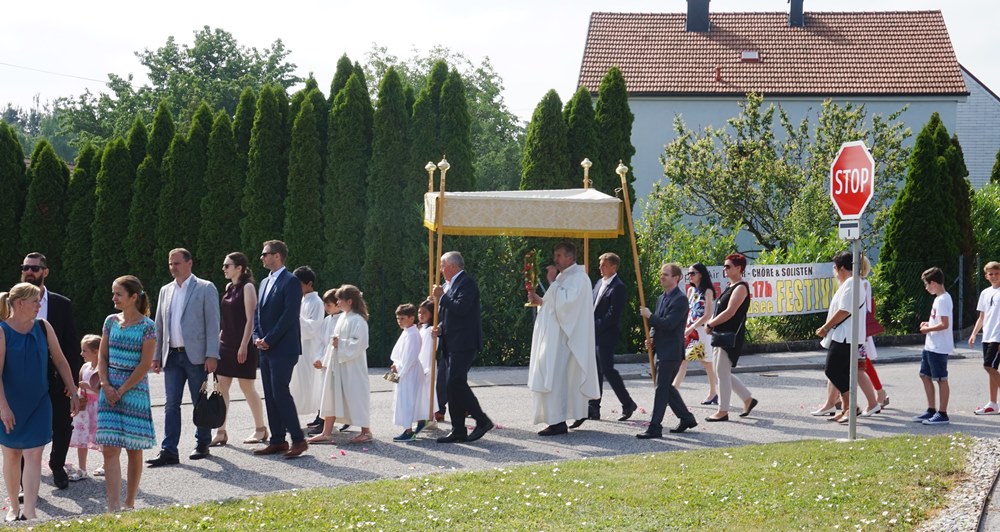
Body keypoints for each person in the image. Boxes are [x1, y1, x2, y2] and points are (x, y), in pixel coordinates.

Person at [0, 283, 80, 521]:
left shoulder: (44, 327)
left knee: (34, 455)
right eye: (35, 301)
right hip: (10, 405)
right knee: (12, 455)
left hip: (40, 403)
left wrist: (73, 391)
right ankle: (14, 506)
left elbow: (61, 360)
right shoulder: (2, 331)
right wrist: (3, 407)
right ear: (20, 303)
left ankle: (30, 510)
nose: (39, 305)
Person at [148, 249, 221, 467]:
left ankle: (203, 443)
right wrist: (156, 355)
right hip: (172, 356)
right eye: (171, 264)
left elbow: (213, 323)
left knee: (201, 401)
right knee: (171, 404)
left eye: (177, 263)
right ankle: (169, 450)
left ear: (190, 263)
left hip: (197, 357)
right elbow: (159, 325)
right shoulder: (165, 290)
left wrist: (212, 354)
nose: (173, 267)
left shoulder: (205, 287)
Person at [526, 242, 600, 436]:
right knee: (551, 375)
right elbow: (554, 305)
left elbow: (568, 307)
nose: (555, 259)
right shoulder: (563, 277)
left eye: (559, 255)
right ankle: (555, 418)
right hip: (554, 337)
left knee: (556, 378)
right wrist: (540, 301)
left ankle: (558, 422)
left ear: (570, 257)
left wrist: (552, 282)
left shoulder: (580, 278)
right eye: (555, 255)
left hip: (566, 340)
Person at [96, 276, 156, 512]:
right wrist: (105, 384)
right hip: (108, 388)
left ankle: (129, 502)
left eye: (118, 294)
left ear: (133, 297)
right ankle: (113, 506)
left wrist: (121, 389)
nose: (114, 298)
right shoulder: (110, 321)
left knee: (133, 447)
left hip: (134, 391)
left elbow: (145, 364)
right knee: (109, 448)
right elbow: (102, 356)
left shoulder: (148, 326)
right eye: (113, 293)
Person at [20, 252, 80, 490]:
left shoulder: (60, 304)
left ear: (45, 272)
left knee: (62, 424)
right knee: (23, 427)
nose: (29, 272)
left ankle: (57, 466)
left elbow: (70, 345)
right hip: (22, 378)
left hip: (55, 377)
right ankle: (24, 481)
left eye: (34, 268)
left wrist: (71, 381)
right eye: (25, 267)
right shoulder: (9, 301)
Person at [252, 240, 307, 458]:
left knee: (280, 392)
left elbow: (289, 315)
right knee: (270, 394)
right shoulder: (265, 282)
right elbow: (257, 313)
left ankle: (298, 439)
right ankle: (277, 440)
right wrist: (257, 337)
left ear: (277, 256)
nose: (262, 257)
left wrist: (270, 339)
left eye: (265, 254)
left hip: (284, 348)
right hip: (265, 348)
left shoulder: (291, 281)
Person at [432, 251, 494, 443]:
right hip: (451, 342)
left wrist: (442, 297)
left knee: (456, 382)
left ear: (453, 266)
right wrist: (441, 327)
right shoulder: (450, 285)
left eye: (442, 266)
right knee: (452, 386)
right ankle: (458, 429)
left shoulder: (467, 283)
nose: (440, 270)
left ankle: (482, 420)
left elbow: (462, 308)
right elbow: (450, 315)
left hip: (464, 342)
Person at [637, 264, 698, 438]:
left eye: (666, 274)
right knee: (665, 387)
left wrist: (650, 316)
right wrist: (652, 337)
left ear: (676, 278)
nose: (662, 277)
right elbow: (657, 324)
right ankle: (686, 418)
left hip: (671, 351)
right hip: (661, 349)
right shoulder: (660, 298)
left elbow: (670, 323)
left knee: (661, 389)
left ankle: (655, 427)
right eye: (661, 274)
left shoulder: (680, 299)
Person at [308, 285, 372, 444]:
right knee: (331, 395)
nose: (337, 302)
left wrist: (340, 344)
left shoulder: (358, 320)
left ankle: (366, 431)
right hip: (336, 365)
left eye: (339, 299)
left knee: (356, 396)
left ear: (349, 301)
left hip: (352, 367)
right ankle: (326, 432)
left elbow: (361, 343)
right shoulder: (343, 317)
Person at [214, 252, 267, 445]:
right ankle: (220, 431)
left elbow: (251, 319)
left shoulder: (248, 287)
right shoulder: (228, 287)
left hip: (243, 343)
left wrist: (244, 344)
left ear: (239, 268)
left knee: (247, 387)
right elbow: (226, 318)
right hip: (225, 343)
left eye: (227, 265)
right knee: (221, 387)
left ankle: (261, 429)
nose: (224, 268)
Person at [813, 251, 867, 423]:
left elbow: (844, 310)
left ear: (842, 268)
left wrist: (825, 327)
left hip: (846, 336)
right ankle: (846, 408)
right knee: (842, 372)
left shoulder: (852, 283)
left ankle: (852, 406)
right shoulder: (852, 283)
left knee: (832, 370)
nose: (835, 272)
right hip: (846, 335)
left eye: (835, 268)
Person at [704, 253, 757, 422]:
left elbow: (730, 312)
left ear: (739, 268)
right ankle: (747, 399)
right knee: (721, 371)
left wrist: (711, 324)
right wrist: (714, 326)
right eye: (724, 266)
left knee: (722, 373)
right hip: (722, 334)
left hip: (730, 336)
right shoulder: (731, 286)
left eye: (728, 266)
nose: (724, 269)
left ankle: (723, 411)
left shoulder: (740, 287)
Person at [587, 252, 637, 424]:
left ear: (613, 267)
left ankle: (628, 403)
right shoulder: (599, 283)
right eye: (600, 264)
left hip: (606, 334)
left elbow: (613, 315)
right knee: (595, 371)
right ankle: (594, 407)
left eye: (604, 265)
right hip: (594, 333)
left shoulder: (618, 287)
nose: (600, 268)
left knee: (607, 369)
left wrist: (594, 326)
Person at [672, 262, 719, 405]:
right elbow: (688, 311)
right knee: (683, 361)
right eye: (689, 274)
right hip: (690, 330)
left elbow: (708, 314)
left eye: (693, 273)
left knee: (706, 363)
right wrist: (684, 326)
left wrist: (692, 327)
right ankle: (673, 392)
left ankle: (713, 393)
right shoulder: (691, 291)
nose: (690, 276)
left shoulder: (708, 291)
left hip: (702, 331)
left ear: (701, 274)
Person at [913, 267, 953, 426]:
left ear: (934, 283)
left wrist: (927, 329)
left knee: (941, 379)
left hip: (939, 346)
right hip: (931, 345)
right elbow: (938, 321)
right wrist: (928, 323)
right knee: (924, 375)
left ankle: (942, 414)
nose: (926, 287)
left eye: (927, 284)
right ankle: (931, 409)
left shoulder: (943, 300)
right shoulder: (939, 299)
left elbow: (944, 324)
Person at [290, 266, 324, 432]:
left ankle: (321, 414)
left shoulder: (316, 302)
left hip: (311, 349)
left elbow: (313, 327)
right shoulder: (302, 300)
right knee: (298, 383)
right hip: (299, 347)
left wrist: (294, 317)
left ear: (309, 284)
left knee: (314, 383)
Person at [389, 304, 429, 442]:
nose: (399, 321)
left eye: (402, 318)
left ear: (411, 318)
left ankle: (409, 431)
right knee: (411, 399)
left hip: (409, 372)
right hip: (406, 370)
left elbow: (410, 358)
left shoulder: (413, 334)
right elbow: (400, 353)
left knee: (407, 400)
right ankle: (420, 421)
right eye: (398, 318)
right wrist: (396, 364)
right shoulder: (407, 331)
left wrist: (399, 368)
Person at [68, 335, 102, 481]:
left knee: (102, 438)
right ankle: (82, 469)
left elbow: (105, 392)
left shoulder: (103, 368)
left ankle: (107, 464)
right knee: (81, 438)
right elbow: (79, 387)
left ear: (96, 351)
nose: (81, 354)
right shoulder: (85, 367)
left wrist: (90, 387)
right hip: (85, 407)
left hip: (99, 407)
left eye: (85, 350)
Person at [969, 261, 1000, 415]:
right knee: (991, 369)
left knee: (989, 366)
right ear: (986, 276)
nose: (994, 276)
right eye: (991, 274)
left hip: (998, 336)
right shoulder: (985, 293)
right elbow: (982, 316)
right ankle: (993, 404)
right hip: (987, 336)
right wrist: (974, 333)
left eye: (997, 273)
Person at [416, 299, 438, 428]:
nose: (421, 315)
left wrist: (425, 368)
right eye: (419, 312)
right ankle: (427, 418)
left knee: (427, 392)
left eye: (424, 312)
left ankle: (430, 417)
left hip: (427, 365)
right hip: (420, 364)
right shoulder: (421, 328)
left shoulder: (431, 330)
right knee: (422, 393)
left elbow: (428, 350)